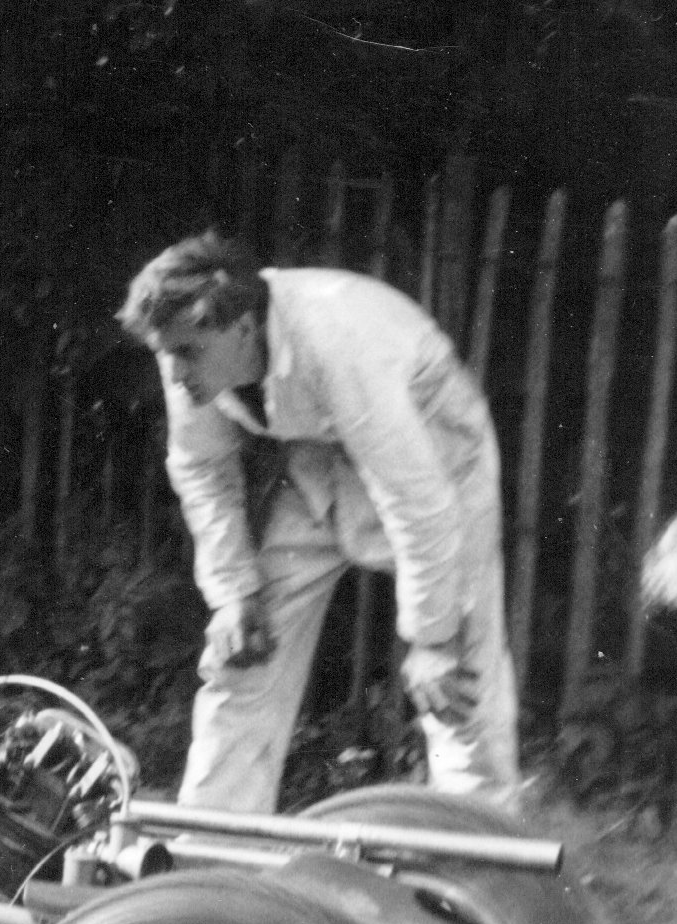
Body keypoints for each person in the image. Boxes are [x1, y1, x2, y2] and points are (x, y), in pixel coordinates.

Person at [118, 230, 519, 815]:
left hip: (440, 463)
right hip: (320, 459)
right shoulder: (190, 343)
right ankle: (208, 856)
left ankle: (486, 869)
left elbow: (417, 499)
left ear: (243, 329)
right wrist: (233, 592)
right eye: (165, 353)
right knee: (243, 656)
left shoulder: (338, 341)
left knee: (456, 688)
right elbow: (202, 467)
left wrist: (431, 638)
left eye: (186, 354)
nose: (175, 375)